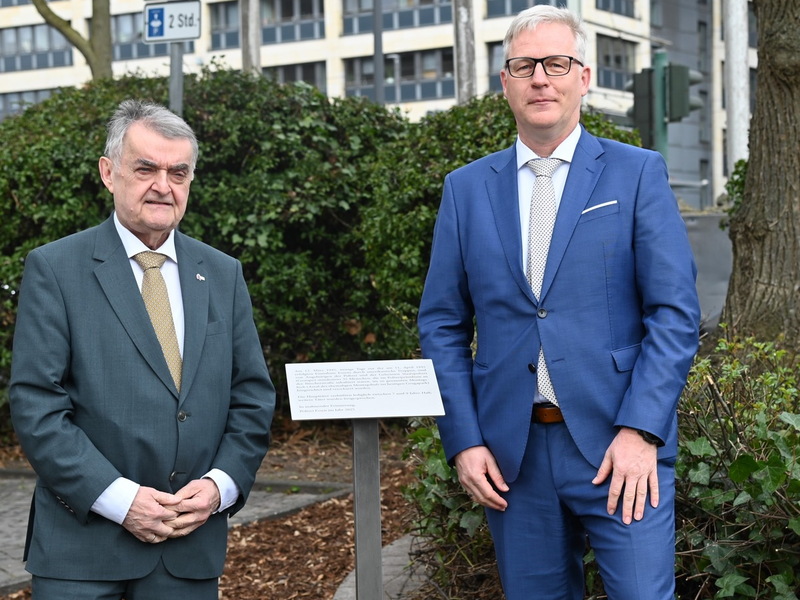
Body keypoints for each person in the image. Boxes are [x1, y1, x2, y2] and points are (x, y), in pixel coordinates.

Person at [417, 6, 700, 599]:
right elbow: (442, 323)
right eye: (524, 66)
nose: (540, 78)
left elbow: (674, 315)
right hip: (512, 457)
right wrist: (464, 440)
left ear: (584, 76)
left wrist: (642, 431)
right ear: (505, 82)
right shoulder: (466, 189)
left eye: (556, 63)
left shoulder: (636, 173)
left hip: (620, 446)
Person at [9, 99, 276, 600]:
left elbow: (252, 398)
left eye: (179, 172)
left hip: (187, 551)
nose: (163, 185)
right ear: (109, 174)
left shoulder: (222, 273)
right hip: (81, 555)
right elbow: (36, 405)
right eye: (146, 168)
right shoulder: (55, 268)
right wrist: (119, 499)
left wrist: (222, 485)